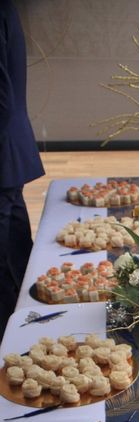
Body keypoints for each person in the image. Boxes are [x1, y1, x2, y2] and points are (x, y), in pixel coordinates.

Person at [0, 0, 45, 337]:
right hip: (7, 148)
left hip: (3, 147)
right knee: (14, 249)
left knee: (8, 256)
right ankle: (26, 329)